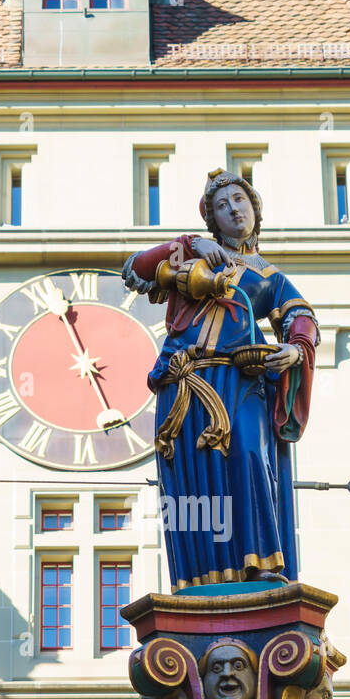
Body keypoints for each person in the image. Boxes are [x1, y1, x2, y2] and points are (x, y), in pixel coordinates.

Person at [122, 167, 319, 591]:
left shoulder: (270, 276)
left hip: (241, 378)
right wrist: (193, 243)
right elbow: (135, 269)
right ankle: (197, 577)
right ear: (212, 219)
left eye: (240, 200)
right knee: (191, 477)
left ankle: (262, 562)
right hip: (185, 382)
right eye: (222, 205)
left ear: (255, 208)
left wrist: (295, 349)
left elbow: (300, 317)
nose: (234, 209)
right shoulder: (193, 256)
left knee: (250, 455)